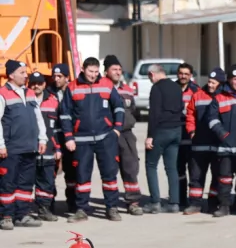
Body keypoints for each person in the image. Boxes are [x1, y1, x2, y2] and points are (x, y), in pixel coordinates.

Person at [60, 56, 125, 223]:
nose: (93, 75)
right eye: (90, 72)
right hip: (81, 140)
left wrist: (117, 129)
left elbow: (119, 106)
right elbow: (65, 114)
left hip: (106, 138)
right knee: (82, 176)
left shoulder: (107, 84)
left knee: (109, 174)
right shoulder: (73, 87)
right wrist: (68, 137)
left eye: (96, 72)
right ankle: (81, 209)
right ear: (83, 69)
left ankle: (112, 208)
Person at [0, 61, 47, 230]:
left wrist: (42, 139)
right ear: (11, 75)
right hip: (11, 148)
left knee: (26, 184)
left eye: (25, 72)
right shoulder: (2, 94)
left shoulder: (29, 93)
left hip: (30, 146)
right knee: (8, 183)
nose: (26, 75)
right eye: (22, 72)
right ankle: (6, 216)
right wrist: (1, 145)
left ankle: (23, 215)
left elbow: (38, 117)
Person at [208, 64, 236, 217]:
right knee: (225, 178)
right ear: (229, 80)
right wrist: (223, 134)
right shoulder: (219, 96)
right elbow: (212, 119)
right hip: (226, 145)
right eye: (234, 79)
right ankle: (224, 206)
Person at [104, 55, 143, 215]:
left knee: (130, 168)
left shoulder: (127, 89)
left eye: (120, 69)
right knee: (110, 170)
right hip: (109, 134)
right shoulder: (102, 88)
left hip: (126, 134)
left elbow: (132, 109)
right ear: (106, 71)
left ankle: (133, 202)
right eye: (114, 69)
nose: (118, 72)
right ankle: (111, 205)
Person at [144, 64, 185, 213]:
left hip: (161, 130)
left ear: (152, 74)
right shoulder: (176, 87)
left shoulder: (156, 88)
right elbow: (181, 107)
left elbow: (154, 113)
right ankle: (174, 203)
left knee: (151, 165)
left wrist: (150, 136)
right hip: (176, 130)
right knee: (171, 167)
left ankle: (155, 202)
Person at [185, 68, 224, 215]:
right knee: (196, 176)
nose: (211, 85)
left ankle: (213, 203)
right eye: (209, 82)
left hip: (217, 145)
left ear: (220, 83)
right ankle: (195, 204)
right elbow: (190, 115)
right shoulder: (198, 95)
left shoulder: (223, 96)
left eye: (214, 83)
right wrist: (192, 131)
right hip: (199, 144)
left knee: (217, 175)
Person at [29, 72, 61, 222]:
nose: (36, 86)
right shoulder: (26, 100)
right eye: (33, 83)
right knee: (26, 181)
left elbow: (59, 128)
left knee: (47, 181)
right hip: (28, 149)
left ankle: (44, 209)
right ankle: (24, 211)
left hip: (49, 149)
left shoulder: (53, 101)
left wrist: (58, 148)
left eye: (39, 83)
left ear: (44, 84)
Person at [49, 63, 76, 214]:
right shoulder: (49, 92)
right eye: (54, 76)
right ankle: (49, 204)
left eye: (60, 76)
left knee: (71, 172)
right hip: (55, 137)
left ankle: (72, 203)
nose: (56, 79)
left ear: (67, 77)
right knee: (51, 172)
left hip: (70, 137)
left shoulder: (73, 91)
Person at [177, 63, 199, 209]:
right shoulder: (172, 89)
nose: (183, 76)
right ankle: (180, 199)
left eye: (186, 73)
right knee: (178, 170)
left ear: (191, 75)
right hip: (176, 135)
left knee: (193, 171)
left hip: (191, 136)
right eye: (181, 73)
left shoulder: (196, 91)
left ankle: (193, 201)